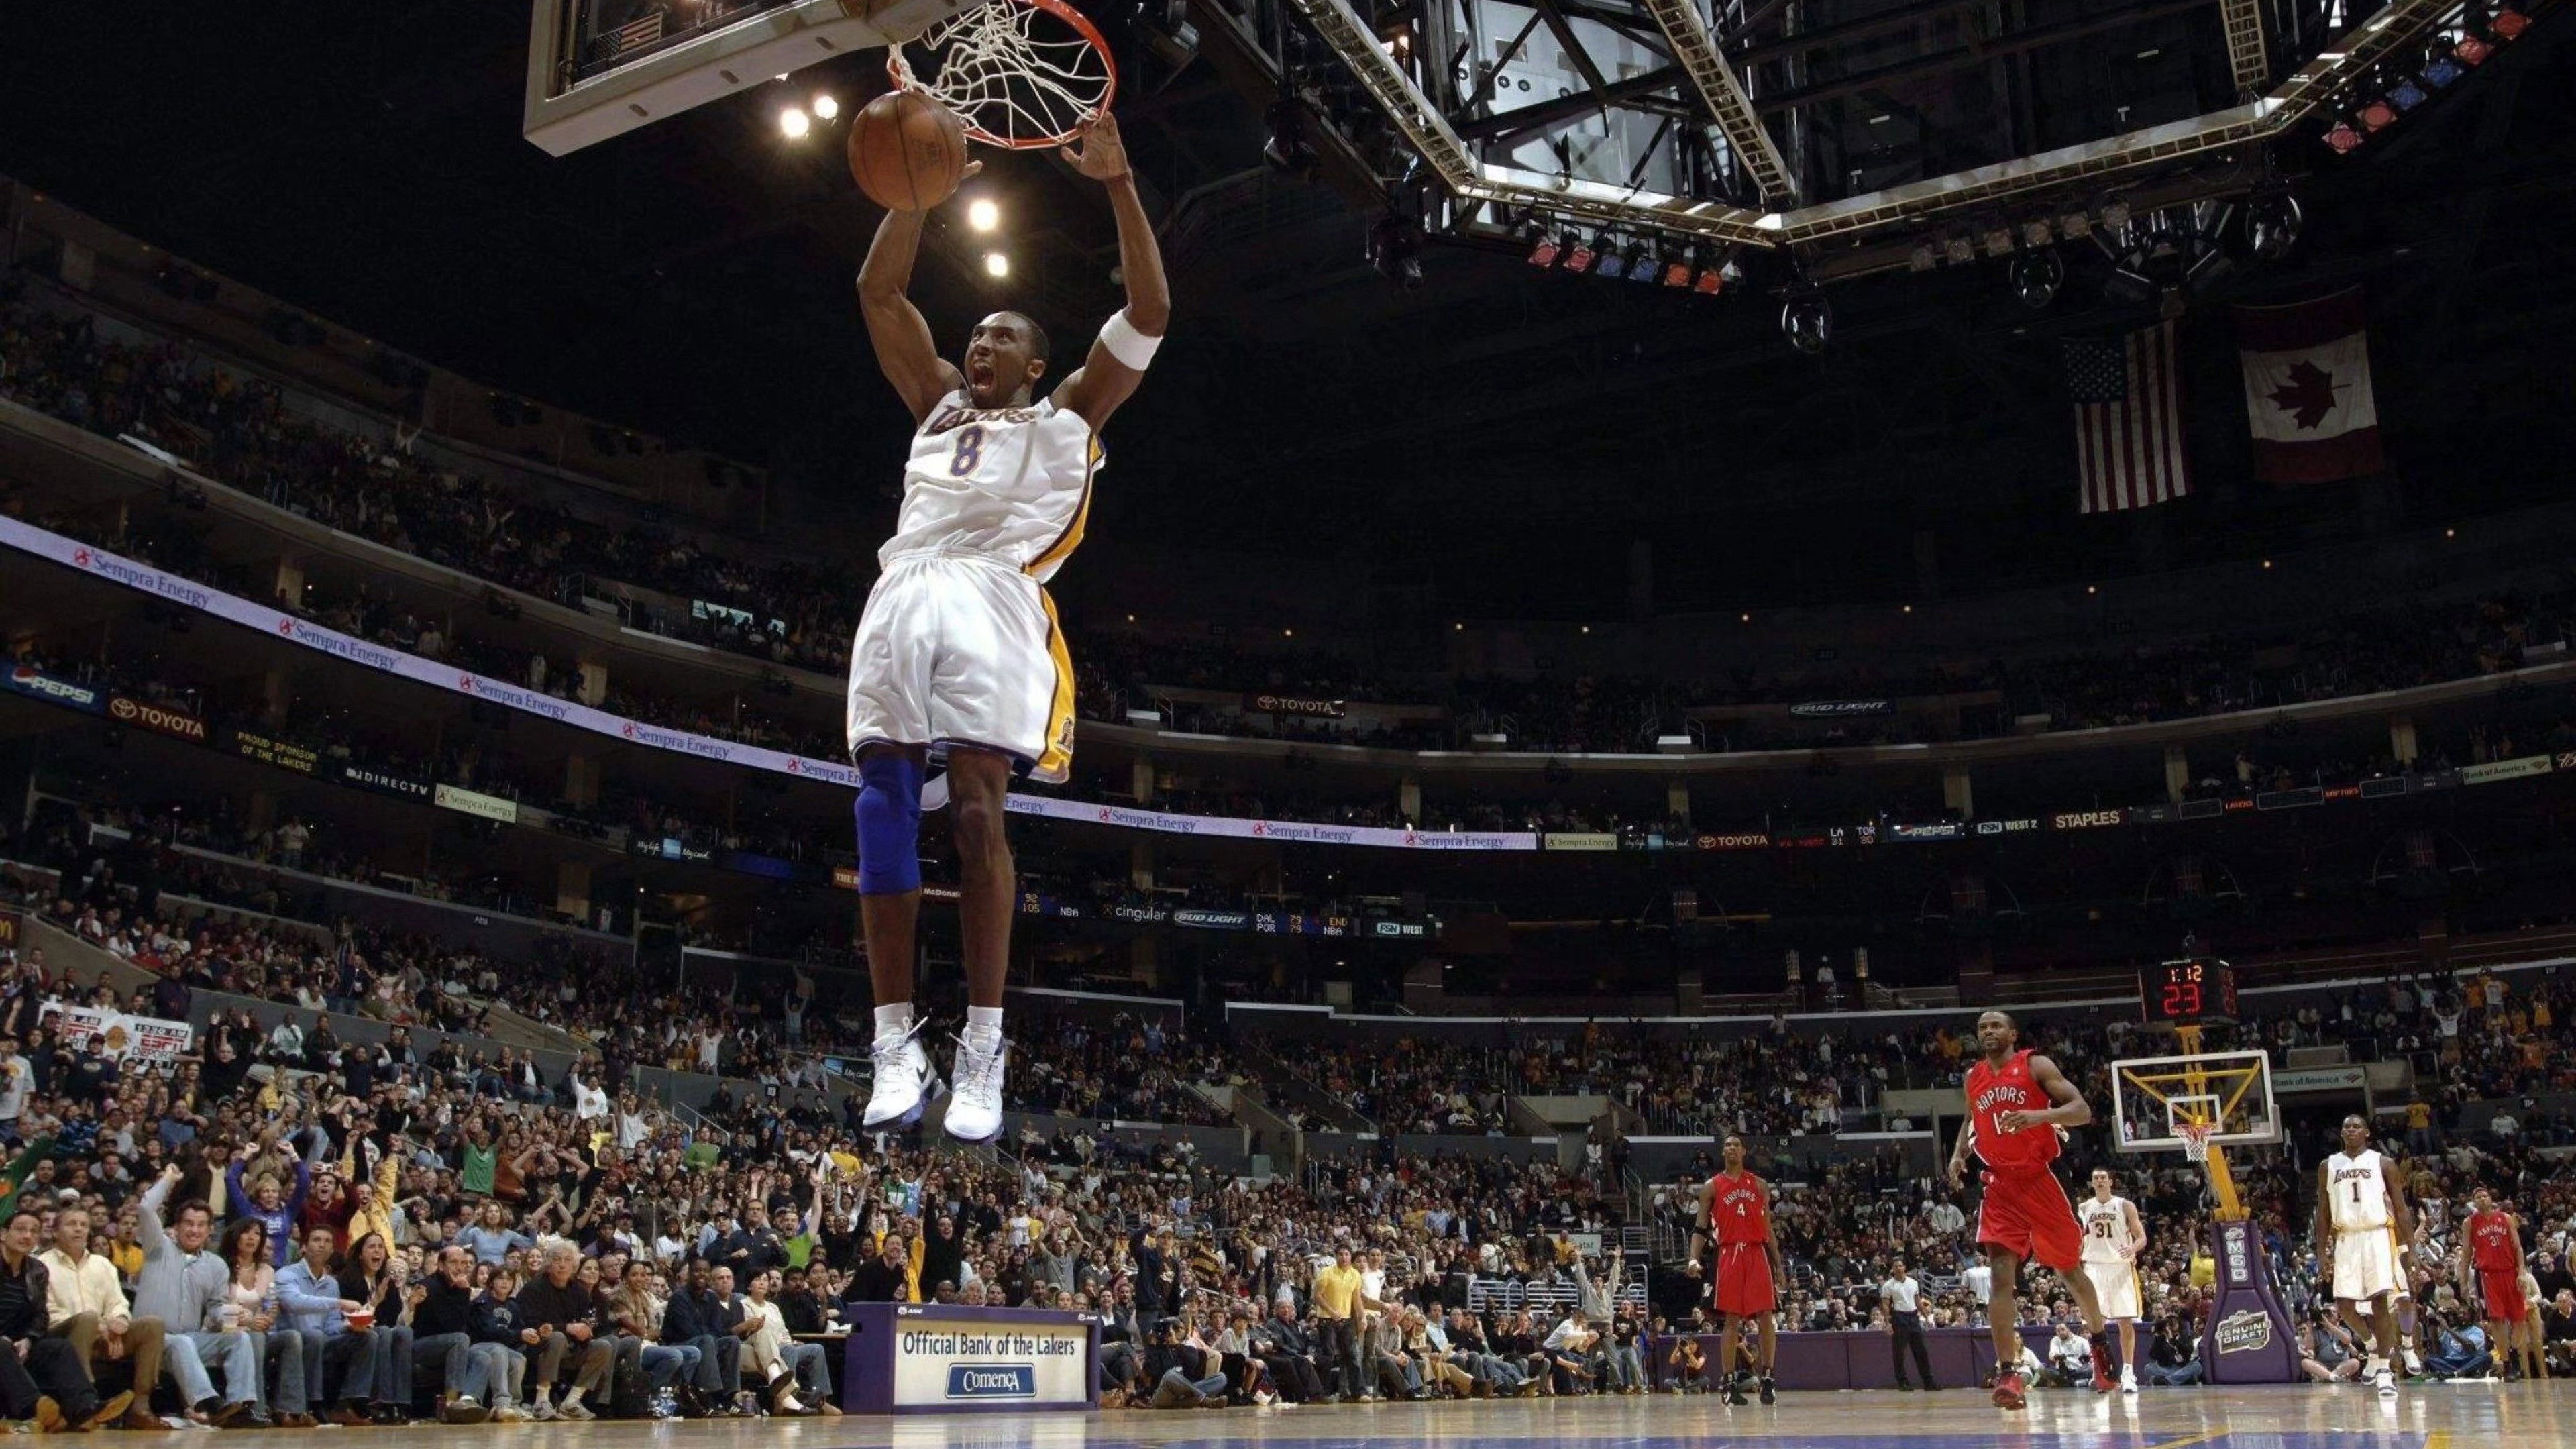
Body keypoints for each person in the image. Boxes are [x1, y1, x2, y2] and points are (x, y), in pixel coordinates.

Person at [849, 106, 1171, 1142]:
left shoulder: (1071, 413)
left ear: (1037, 366)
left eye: (1003, 336)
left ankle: (983, 1046)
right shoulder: (937, 403)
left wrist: (1118, 183)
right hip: (904, 586)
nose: (981, 341)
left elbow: (1152, 310)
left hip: (995, 593)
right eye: (977, 332)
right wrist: (913, 196)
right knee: (881, 807)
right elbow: (880, 293)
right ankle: (894, 1040)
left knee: (979, 816)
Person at [1947, 1010, 2115, 1409]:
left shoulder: (2035, 1065)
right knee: (2000, 1274)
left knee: (2069, 1271)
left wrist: (2038, 1116)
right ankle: (2009, 1373)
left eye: (1996, 1026)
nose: (1988, 1032)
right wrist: (1957, 1154)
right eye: (1982, 1027)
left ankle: (2098, 1342)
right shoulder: (1974, 1077)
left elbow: (2082, 1111)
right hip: (2000, 1184)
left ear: (2013, 1034)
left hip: (2043, 1179)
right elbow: (1971, 1118)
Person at [132, 1168, 262, 1426]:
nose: (194, 1230)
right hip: (151, 1339)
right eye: (189, 1224)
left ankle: (241, 1408)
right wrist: (168, 1180)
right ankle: (209, 1405)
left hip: (190, 1340)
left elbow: (215, 1309)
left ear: (210, 1230)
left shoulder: (216, 1265)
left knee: (240, 1339)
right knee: (181, 1343)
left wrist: (232, 1314)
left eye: (201, 1225)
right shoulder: (158, 1247)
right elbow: (146, 1209)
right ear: (177, 1226)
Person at [39, 1204, 169, 1429]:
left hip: (103, 1334)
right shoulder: (42, 1265)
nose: (79, 1229)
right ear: (56, 1232)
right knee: (88, 1319)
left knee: (153, 1324)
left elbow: (118, 1303)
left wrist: (119, 1322)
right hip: (62, 1337)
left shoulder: (102, 1264)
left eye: (83, 1225)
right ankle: (86, 1403)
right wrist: (98, 1325)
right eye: (72, 1224)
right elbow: (47, 1312)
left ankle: (141, 1407)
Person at [0, 1209, 131, 1431]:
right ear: (4, 1234)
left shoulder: (37, 1270)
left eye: (34, 1231)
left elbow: (41, 1315)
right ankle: (35, 1409)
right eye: (21, 1230)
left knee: (59, 1347)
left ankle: (87, 1407)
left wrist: (28, 1340)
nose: (27, 1236)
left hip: (18, 1344)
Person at [2316, 1113, 2413, 1397]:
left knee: (2380, 1301)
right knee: (2344, 1305)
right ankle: (2372, 1344)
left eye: (2356, 1126)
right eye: (2346, 1126)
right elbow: (2323, 1211)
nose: (2351, 1130)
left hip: (2377, 1234)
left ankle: (2384, 1370)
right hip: (2346, 1236)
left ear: (2367, 1133)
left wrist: (2411, 1248)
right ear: (2341, 1133)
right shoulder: (2328, 1165)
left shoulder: (2384, 1163)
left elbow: (2401, 1208)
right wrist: (2321, 1251)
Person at [1700, 1134, 1784, 1405]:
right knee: (1731, 1319)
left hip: (1757, 1251)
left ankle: (1768, 1378)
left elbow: (1768, 1229)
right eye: (1727, 1145)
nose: (1732, 1148)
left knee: (1766, 1316)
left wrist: (1779, 1265)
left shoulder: (1759, 1185)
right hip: (1729, 1251)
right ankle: (1728, 1382)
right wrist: (1693, 1259)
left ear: (1744, 1151)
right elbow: (1699, 1227)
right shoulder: (1712, 1186)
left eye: (1736, 1145)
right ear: (1723, 1152)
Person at [2076, 1167, 2147, 1393]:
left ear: (2111, 1182)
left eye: (2103, 1178)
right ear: (2092, 1183)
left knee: (2125, 1321)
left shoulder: (2125, 1205)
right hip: (2093, 1266)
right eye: (2096, 1178)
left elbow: (2142, 1238)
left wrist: (2132, 1248)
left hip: (2120, 1266)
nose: (2100, 1181)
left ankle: (2128, 1373)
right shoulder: (2083, 1208)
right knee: (2095, 1323)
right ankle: (2101, 1372)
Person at [2459, 1186, 2542, 1380]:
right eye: (2478, 1197)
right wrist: (2463, 1282)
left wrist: (2522, 1272)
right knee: (2497, 1319)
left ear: (2491, 1199)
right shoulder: (2469, 1222)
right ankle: (2507, 1364)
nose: (2482, 1199)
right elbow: (2466, 1253)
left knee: (2519, 1318)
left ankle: (2512, 1352)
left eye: (2485, 1195)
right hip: (2488, 1275)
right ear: (2474, 1202)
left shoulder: (2505, 1218)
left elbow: (2518, 1248)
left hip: (2511, 1272)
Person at [1878, 1260, 1938, 1391]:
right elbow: (1885, 1306)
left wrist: (1926, 1317)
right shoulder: (1888, 1286)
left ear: (1905, 1267)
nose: (1898, 1268)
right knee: (1899, 1352)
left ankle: (1928, 1382)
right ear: (1893, 1269)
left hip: (1913, 1317)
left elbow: (1918, 1301)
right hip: (1899, 1318)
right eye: (1896, 1266)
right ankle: (1903, 1383)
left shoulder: (1913, 1283)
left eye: (1900, 1265)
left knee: (1921, 1351)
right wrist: (1887, 1323)